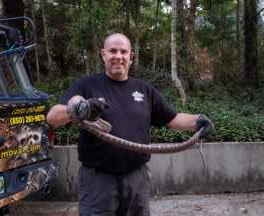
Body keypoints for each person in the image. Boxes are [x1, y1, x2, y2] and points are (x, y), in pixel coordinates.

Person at [46, 33, 214, 216]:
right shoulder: (86, 85)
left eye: (123, 52)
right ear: (103, 54)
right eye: (112, 51)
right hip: (98, 182)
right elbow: (53, 117)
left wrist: (198, 120)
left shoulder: (145, 90)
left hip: (137, 179)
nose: (118, 56)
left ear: (130, 57)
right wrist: (80, 108)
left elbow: (173, 119)